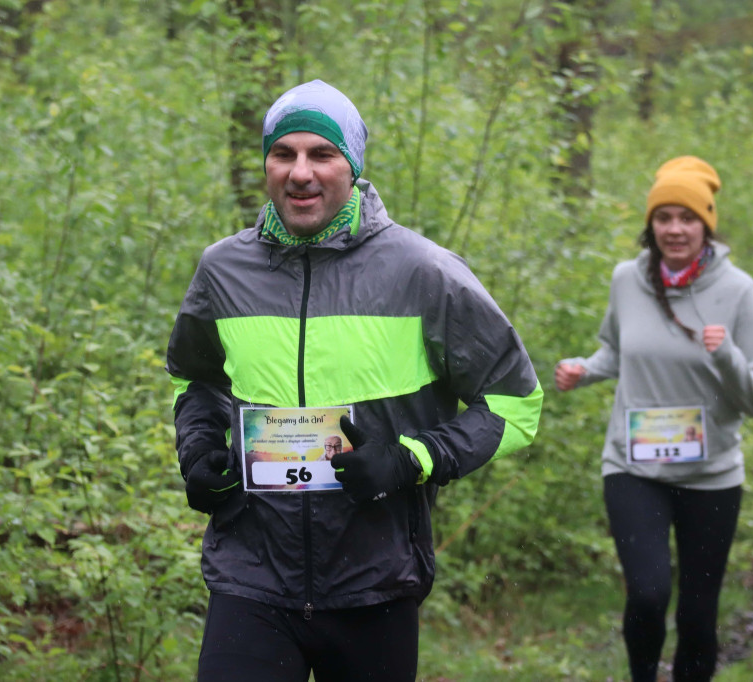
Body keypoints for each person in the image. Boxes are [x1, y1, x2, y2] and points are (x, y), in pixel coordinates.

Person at [166, 79, 543, 682]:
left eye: (323, 154)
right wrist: (200, 451)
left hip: (375, 579)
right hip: (251, 574)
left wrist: (411, 458)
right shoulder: (223, 270)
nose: (300, 173)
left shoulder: (423, 271)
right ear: (265, 163)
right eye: (283, 154)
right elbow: (197, 383)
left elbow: (515, 402)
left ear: (354, 166)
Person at [554, 156, 753, 682]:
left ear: (707, 224)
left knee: (698, 613)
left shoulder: (738, 290)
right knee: (648, 594)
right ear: (651, 224)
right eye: (664, 217)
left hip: (712, 474)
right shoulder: (627, 280)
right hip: (633, 466)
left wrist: (726, 356)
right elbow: (616, 351)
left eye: (688, 218)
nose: (675, 229)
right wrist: (585, 370)